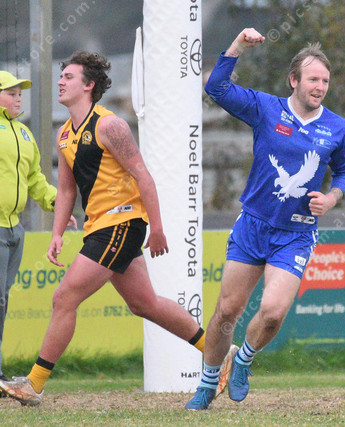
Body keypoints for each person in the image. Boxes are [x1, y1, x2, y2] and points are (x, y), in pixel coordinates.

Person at [0, 52, 206, 406]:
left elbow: (144, 176)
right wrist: (56, 233)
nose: (60, 81)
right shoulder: (65, 134)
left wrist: (157, 228)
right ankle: (217, 350)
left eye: (68, 77)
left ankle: (34, 384)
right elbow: (66, 190)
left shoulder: (110, 126)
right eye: (61, 76)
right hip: (100, 227)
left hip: (121, 223)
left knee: (64, 298)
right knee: (145, 304)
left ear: (89, 85)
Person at [185, 28, 345, 410]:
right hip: (253, 225)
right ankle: (207, 384)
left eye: (325, 81)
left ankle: (242, 361)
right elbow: (217, 88)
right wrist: (237, 47)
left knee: (274, 312)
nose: (320, 87)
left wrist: (331, 197)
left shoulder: (337, 127)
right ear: (294, 80)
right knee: (227, 311)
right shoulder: (266, 108)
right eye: (313, 79)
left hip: (295, 234)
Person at [0, 71, 75, 391]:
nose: (18, 99)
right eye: (11, 93)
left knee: (2, 301)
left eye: (20, 94)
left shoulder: (24, 134)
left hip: (15, 231)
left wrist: (58, 205)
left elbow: (35, 181)